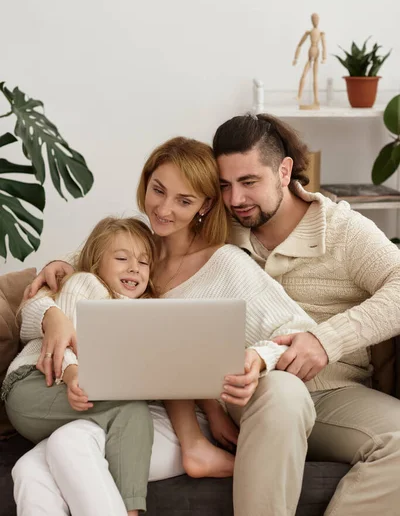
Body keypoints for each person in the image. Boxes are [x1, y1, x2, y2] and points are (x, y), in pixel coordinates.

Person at [19, 136, 317, 516]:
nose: (163, 209)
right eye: (158, 190)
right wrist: (51, 315)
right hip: (119, 407)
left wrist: (256, 358)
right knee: (30, 470)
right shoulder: (132, 245)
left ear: (206, 205)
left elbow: (299, 328)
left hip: (173, 418)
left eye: (184, 200)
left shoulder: (227, 263)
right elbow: (51, 290)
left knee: (68, 447)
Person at [212, 112, 400, 516]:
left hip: (334, 395)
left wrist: (326, 341)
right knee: (282, 393)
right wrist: (69, 267)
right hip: (248, 392)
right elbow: (138, 243)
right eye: (224, 185)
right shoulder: (216, 226)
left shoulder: (342, 230)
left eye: (248, 182)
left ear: (284, 171)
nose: (235, 200)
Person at [3, 217, 157, 516]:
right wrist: (73, 374)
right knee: (131, 408)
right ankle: (131, 510)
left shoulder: (142, 309)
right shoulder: (86, 283)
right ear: (97, 264)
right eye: (122, 258)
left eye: (144, 262)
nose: (134, 268)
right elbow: (67, 337)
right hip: (35, 382)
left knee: (34, 469)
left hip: (70, 398)